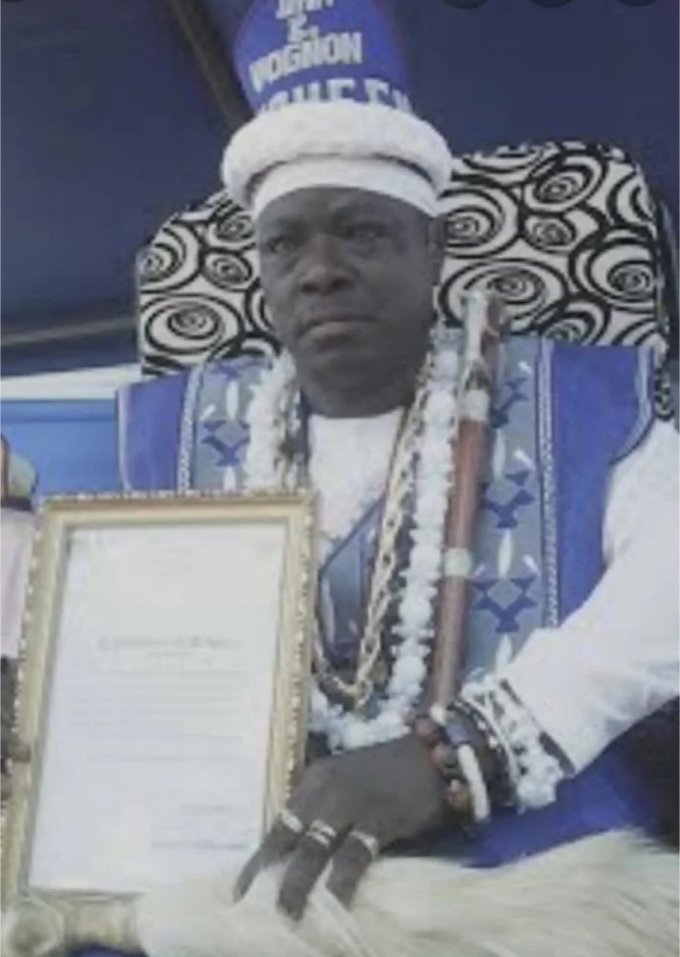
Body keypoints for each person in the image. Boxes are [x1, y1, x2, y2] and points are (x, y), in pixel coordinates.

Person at [5, 2, 678, 955]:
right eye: (285, 243)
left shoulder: (586, 400)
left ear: (433, 248)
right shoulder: (170, 435)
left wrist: (458, 755)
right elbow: (90, 635)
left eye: (361, 232)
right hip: (245, 889)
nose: (320, 270)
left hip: (530, 886)